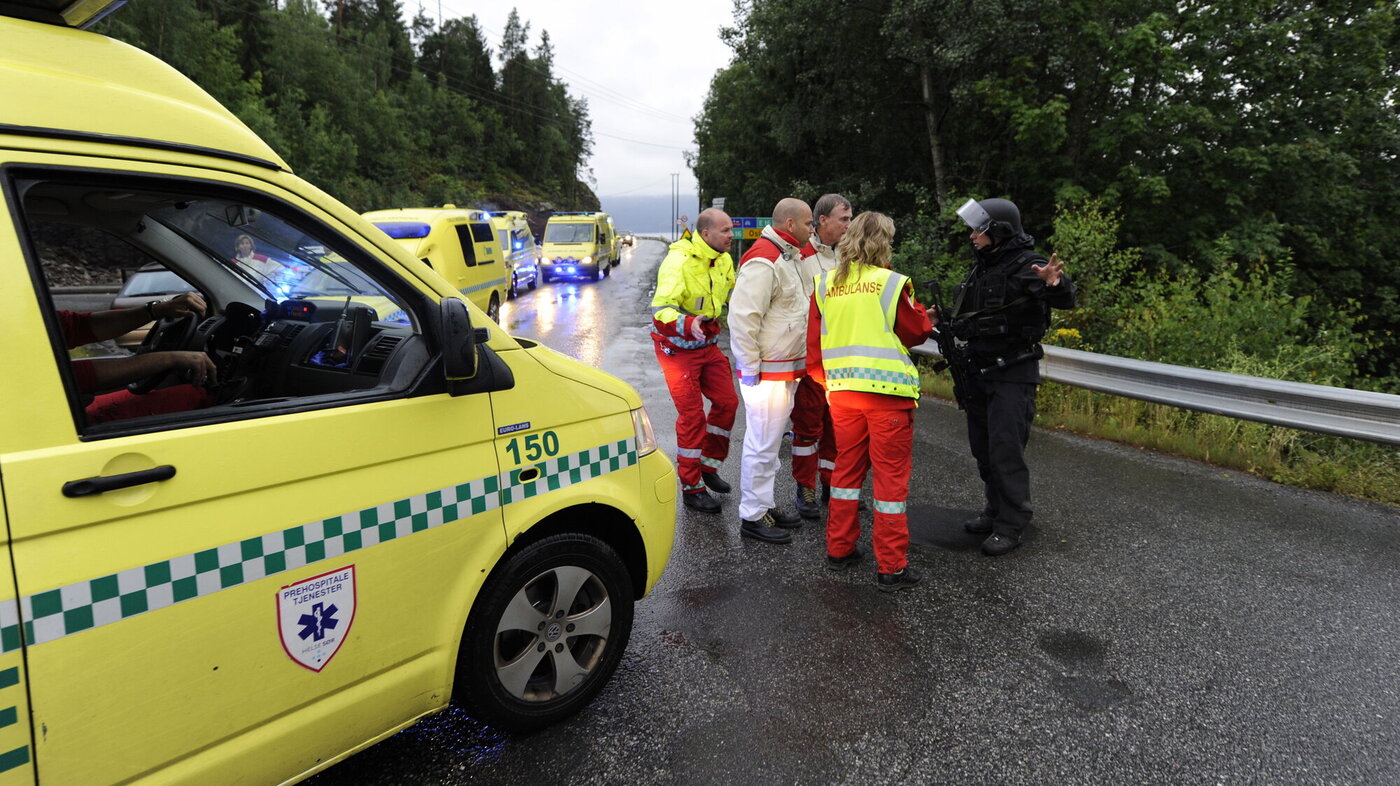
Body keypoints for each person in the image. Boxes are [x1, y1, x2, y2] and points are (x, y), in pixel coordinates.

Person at [807, 212, 932, 591]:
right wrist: (924, 312)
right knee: (890, 484)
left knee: (846, 473)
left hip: (843, 395)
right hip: (888, 399)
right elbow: (917, 332)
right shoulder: (891, 283)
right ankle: (891, 567)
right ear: (884, 243)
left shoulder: (825, 284)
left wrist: (831, 387)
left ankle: (839, 549)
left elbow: (814, 350)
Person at [953, 197, 1076, 556]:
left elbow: (1064, 297)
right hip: (979, 370)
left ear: (999, 232)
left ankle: (1011, 523)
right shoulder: (982, 266)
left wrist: (1054, 283)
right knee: (984, 448)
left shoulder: (1028, 264)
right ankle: (994, 511)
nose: (973, 236)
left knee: (1006, 449)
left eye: (979, 230)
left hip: (1012, 372)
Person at [729, 198, 813, 544]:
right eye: (809, 223)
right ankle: (752, 514)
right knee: (763, 443)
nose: (813, 229)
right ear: (790, 224)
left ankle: (764, 504)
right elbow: (743, 317)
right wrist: (749, 367)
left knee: (769, 441)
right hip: (767, 371)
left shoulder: (787, 256)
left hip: (782, 366)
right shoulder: (766, 258)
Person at [650, 207, 739, 513]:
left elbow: (734, 293)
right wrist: (688, 324)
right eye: (726, 230)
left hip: (708, 343)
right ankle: (691, 487)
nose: (732, 235)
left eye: (731, 229)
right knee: (692, 417)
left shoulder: (724, 259)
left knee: (728, 403)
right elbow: (661, 309)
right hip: (677, 349)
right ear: (706, 234)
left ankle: (709, 465)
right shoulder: (679, 261)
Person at [62, 292, 218, 422]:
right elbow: (74, 377)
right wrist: (170, 358)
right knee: (196, 396)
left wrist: (155, 310)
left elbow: (78, 327)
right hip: (65, 420)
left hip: (68, 407)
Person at [791, 193, 852, 518]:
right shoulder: (800, 256)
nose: (849, 225)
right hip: (811, 357)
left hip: (842, 358)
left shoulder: (850, 257)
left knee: (838, 427)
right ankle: (806, 486)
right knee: (807, 427)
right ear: (822, 221)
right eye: (843, 218)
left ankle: (831, 482)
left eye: (850, 218)